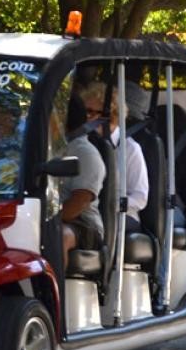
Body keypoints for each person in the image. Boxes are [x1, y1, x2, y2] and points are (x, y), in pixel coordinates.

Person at [80, 81, 149, 233]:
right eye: (85, 111)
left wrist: (109, 204)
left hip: (120, 216)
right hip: (85, 210)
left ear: (111, 115)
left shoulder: (130, 149)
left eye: (92, 112)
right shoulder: (81, 143)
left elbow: (140, 197)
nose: (86, 117)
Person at [60, 94, 106, 265]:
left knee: (58, 236)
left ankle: (53, 290)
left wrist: (41, 222)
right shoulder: (51, 148)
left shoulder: (85, 153)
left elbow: (75, 208)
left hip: (84, 224)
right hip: (47, 217)